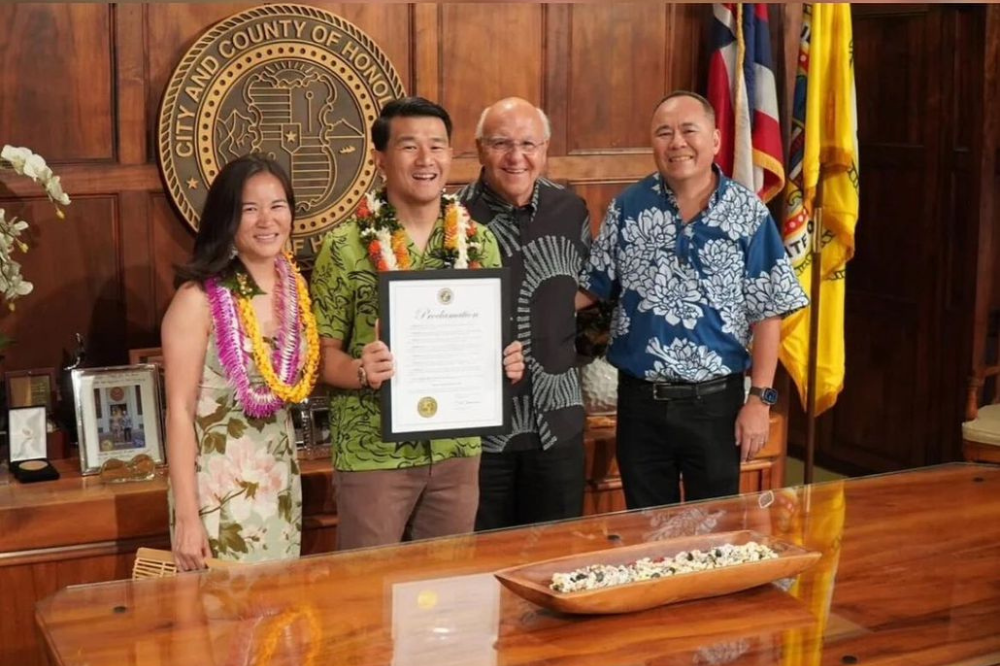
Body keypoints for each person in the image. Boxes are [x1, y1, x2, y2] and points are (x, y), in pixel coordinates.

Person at [310, 96, 525, 551]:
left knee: (447, 585)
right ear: (380, 159)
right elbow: (320, 358)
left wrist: (505, 361)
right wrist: (361, 369)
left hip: (457, 451)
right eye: (410, 146)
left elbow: (490, 340)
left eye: (437, 145)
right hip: (374, 454)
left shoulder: (479, 241)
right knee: (369, 585)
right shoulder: (344, 246)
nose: (426, 159)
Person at [577, 91, 808, 509]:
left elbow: (768, 311)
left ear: (716, 139)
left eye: (689, 131)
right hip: (640, 404)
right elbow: (592, 288)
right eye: (664, 133)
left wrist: (760, 400)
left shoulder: (747, 213)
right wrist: (519, 308)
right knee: (645, 526)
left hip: (716, 405)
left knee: (715, 527)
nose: (677, 143)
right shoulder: (627, 208)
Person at [162, 155, 320, 569]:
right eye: (250, 209)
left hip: (278, 482)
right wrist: (187, 516)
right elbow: (178, 411)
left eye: (277, 205)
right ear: (227, 218)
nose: (267, 220)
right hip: (216, 492)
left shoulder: (295, 291)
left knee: (279, 605)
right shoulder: (196, 300)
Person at [457, 97, 591, 530]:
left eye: (529, 144)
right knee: (480, 559)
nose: (516, 157)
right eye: (501, 143)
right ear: (479, 149)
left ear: (545, 148)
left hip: (558, 422)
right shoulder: (451, 218)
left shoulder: (571, 210)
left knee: (556, 556)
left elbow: (590, 295)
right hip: (480, 433)